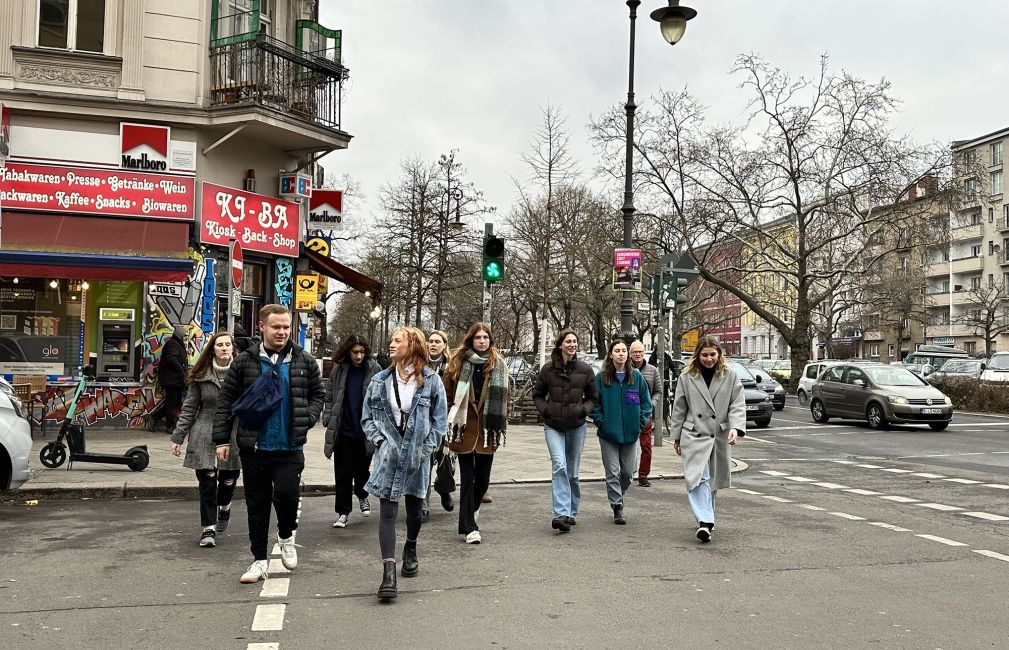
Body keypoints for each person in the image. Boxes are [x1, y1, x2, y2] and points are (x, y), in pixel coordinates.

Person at [213, 304, 326, 584]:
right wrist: (221, 439)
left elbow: (318, 395)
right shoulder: (244, 362)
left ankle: (286, 536)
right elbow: (225, 401)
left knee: (287, 496)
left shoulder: (304, 360)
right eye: (276, 327)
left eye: (286, 327)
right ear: (261, 327)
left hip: (289, 447)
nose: (282, 332)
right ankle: (259, 560)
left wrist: (307, 418)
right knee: (257, 505)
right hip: (255, 447)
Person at [363, 326, 447, 601]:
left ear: (412, 345)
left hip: (417, 458)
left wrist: (427, 449)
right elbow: (367, 418)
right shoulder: (379, 380)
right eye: (392, 340)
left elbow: (440, 420)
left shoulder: (432, 381)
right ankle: (389, 571)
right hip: (388, 456)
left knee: (414, 513)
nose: (392, 344)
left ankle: (410, 546)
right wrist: (380, 442)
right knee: (387, 513)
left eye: (397, 340)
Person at [669, 335, 746, 543]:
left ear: (719, 354)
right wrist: (675, 437)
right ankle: (705, 521)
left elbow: (737, 404)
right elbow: (679, 408)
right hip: (694, 433)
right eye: (704, 355)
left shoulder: (730, 375)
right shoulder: (687, 376)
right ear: (697, 355)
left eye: (713, 354)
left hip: (718, 434)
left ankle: (707, 519)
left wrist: (736, 428)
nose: (709, 359)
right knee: (697, 478)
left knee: (711, 480)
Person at [170, 331, 241, 548]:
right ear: (213, 349)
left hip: (233, 431)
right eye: (220, 344)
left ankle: (225, 506)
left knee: (228, 480)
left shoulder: (242, 371)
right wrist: (178, 437)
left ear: (232, 348)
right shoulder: (201, 373)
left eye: (228, 344)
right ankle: (208, 528)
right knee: (208, 481)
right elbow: (190, 407)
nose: (224, 348)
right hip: (205, 431)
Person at [443, 322, 510, 545]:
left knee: (483, 480)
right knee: (468, 478)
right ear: (471, 340)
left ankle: (472, 510)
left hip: (487, 430)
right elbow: (447, 393)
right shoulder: (458, 363)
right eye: (478, 338)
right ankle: (470, 527)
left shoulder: (498, 364)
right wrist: (452, 413)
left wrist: (504, 415)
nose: (482, 341)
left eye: (485, 338)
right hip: (464, 428)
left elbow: (507, 395)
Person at [533, 329, 597, 533]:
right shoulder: (548, 370)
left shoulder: (585, 370)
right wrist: (546, 411)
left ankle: (571, 511)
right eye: (568, 341)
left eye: (574, 341)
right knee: (559, 465)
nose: (572, 344)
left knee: (573, 473)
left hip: (577, 426)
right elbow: (538, 395)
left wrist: (583, 410)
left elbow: (593, 397)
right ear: (560, 344)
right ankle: (561, 513)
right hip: (553, 426)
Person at [589, 339, 651, 525]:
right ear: (610, 354)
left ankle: (618, 493)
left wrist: (640, 423)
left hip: (631, 434)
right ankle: (617, 505)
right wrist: (601, 422)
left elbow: (646, 404)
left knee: (628, 472)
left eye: (624, 350)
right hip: (608, 434)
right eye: (617, 350)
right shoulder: (601, 378)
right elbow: (594, 403)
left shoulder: (637, 377)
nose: (621, 353)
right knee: (613, 471)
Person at [325, 335, 381, 528]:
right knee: (342, 472)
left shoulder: (374, 369)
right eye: (355, 352)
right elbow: (330, 394)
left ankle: (362, 494)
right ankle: (343, 512)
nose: (358, 356)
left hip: (365, 431)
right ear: (348, 352)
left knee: (362, 470)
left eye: (362, 352)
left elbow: (381, 398)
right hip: (344, 430)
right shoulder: (339, 370)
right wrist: (328, 416)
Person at [423, 330, 456, 522]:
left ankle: (444, 490)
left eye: (438, 341)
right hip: (425, 419)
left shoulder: (452, 367)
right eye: (431, 341)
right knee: (424, 463)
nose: (433, 344)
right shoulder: (420, 364)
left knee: (445, 465)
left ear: (445, 345)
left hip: (447, 419)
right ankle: (423, 505)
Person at [629, 341, 660, 487]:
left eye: (640, 351)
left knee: (646, 445)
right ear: (631, 354)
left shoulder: (653, 370)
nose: (638, 354)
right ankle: (628, 472)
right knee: (628, 444)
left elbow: (658, 391)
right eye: (635, 352)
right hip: (629, 413)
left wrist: (651, 404)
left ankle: (643, 475)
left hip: (646, 414)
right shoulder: (625, 369)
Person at [147, 325, 189, 432]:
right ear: (179, 335)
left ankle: (156, 417)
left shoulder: (175, 344)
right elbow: (171, 359)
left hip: (175, 379)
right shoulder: (173, 344)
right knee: (172, 402)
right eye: (184, 335)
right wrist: (182, 371)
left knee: (174, 402)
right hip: (172, 379)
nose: (185, 337)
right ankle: (168, 425)